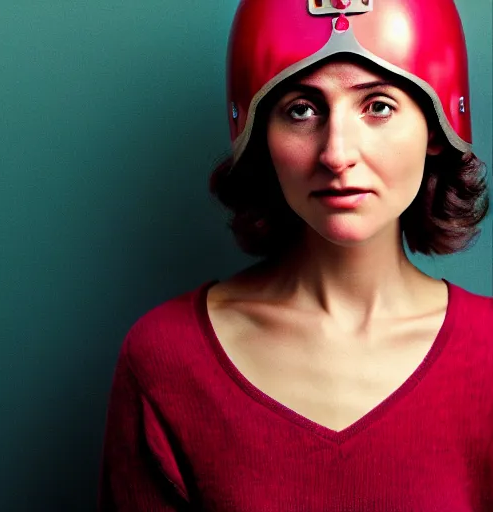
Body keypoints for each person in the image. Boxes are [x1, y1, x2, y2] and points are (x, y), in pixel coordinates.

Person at [98, 0, 493, 510]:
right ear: (260, 134)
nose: (336, 153)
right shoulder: (166, 360)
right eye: (302, 110)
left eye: (378, 106)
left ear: (436, 129)